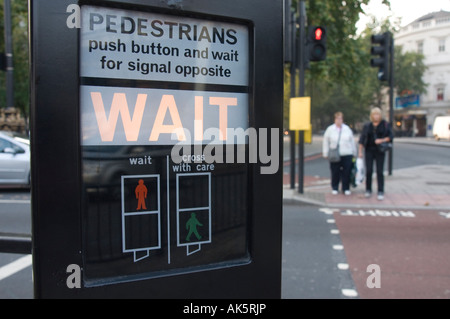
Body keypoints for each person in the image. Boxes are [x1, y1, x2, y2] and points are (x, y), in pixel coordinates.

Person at [358, 107, 394, 200]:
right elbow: (362, 139)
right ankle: (368, 189)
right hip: (369, 150)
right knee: (369, 170)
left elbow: (390, 136)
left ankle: (380, 190)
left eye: (377, 114)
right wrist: (360, 152)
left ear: (380, 115)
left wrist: (381, 140)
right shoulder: (367, 126)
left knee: (379, 171)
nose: (376, 116)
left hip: (380, 150)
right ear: (371, 116)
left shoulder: (385, 124)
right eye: (374, 114)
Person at [323, 112, 357, 195]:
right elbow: (326, 141)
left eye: (341, 118)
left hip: (347, 153)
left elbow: (352, 141)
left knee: (347, 172)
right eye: (337, 118)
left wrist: (354, 152)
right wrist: (325, 153)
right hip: (335, 153)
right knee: (335, 172)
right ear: (335, 119)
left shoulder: (347, 129)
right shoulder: (330, 129)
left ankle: (346, 188)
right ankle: (335, 187)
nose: (339, 120)